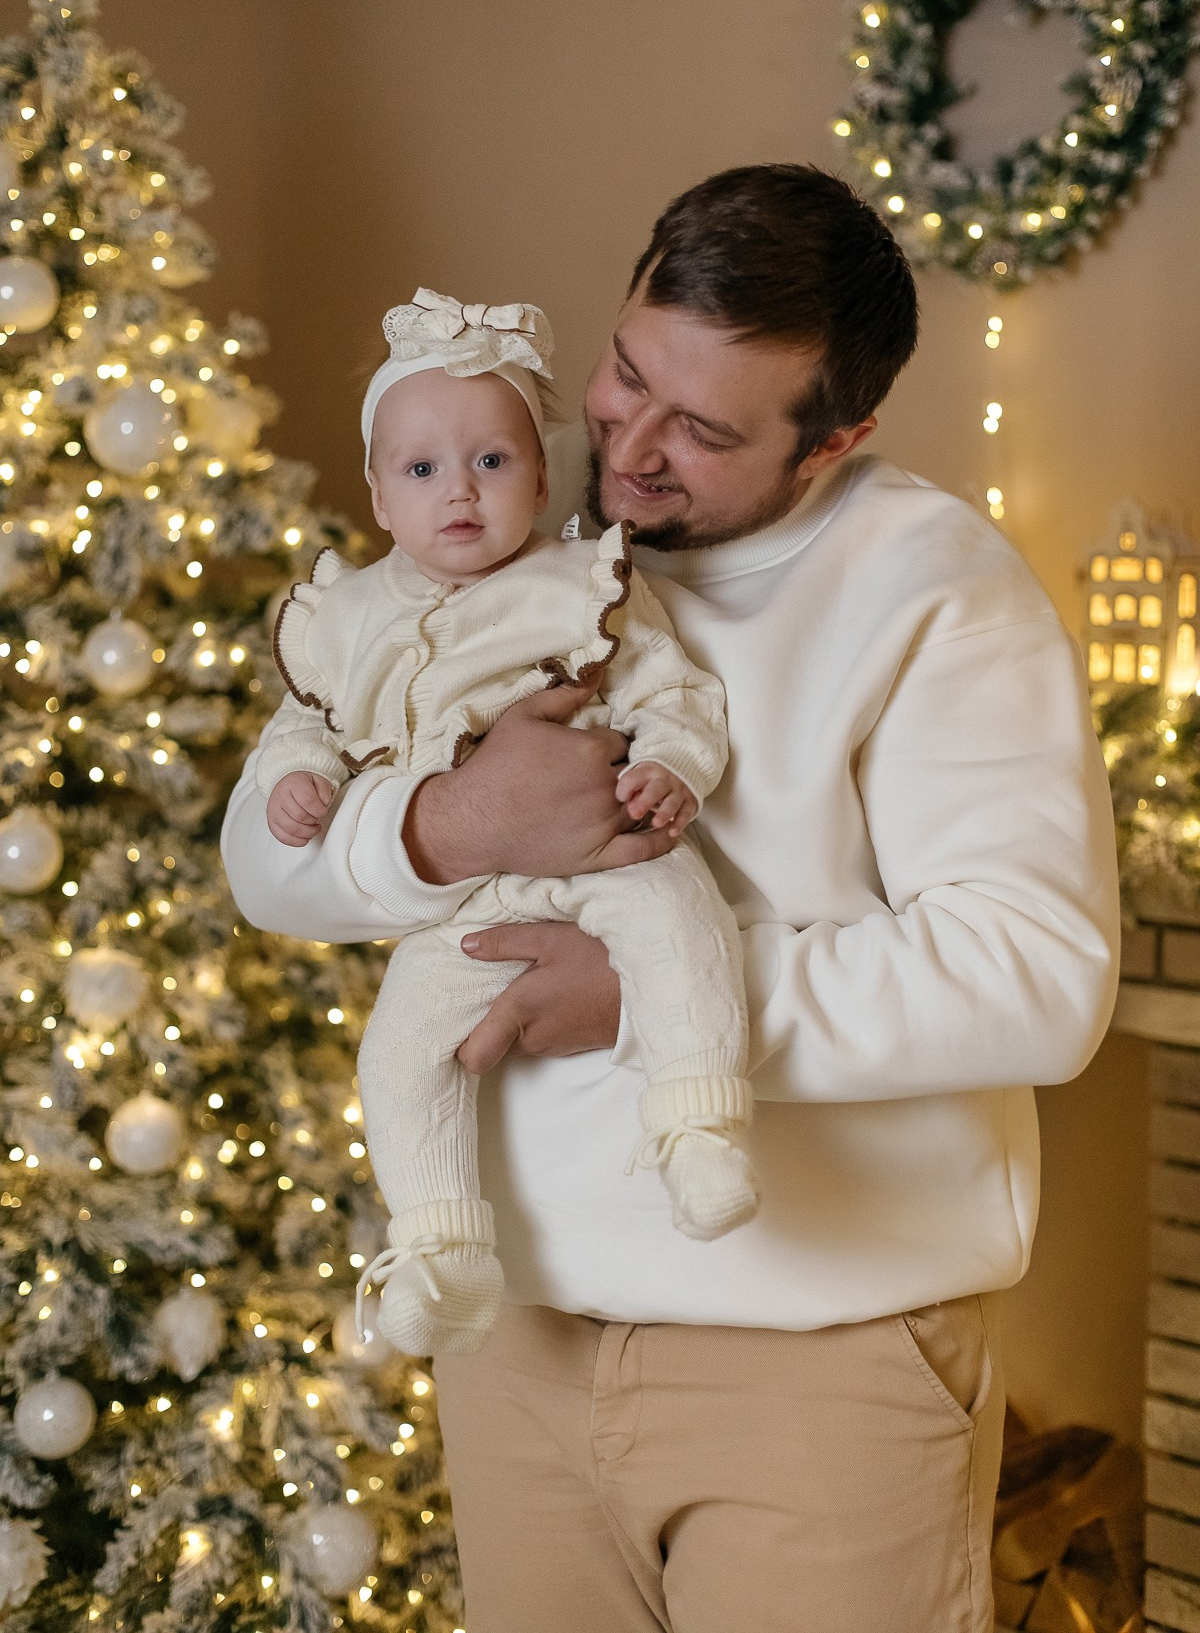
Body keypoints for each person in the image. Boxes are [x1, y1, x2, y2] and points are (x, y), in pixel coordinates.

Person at [221, 164, 1120, 1633]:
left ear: (837, 437)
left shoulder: (939, 592)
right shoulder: (493, 555)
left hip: (818, 1365)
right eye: (626, 377)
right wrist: (449, 822)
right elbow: (264, 858)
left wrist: (648, 995)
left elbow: (1033, 973)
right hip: (523, 1344)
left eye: (702, 431)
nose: (629, 449)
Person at [252, 286, 758, 1359]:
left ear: (538, 472)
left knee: (682, 923)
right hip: (464, 913)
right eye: (423, 469)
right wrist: (300, 779)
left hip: (607, 847)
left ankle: (700, 1121)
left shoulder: (583, 586)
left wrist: (672, 762)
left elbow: (677, 697)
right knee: (398, 1056)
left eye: (492, 461)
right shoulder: (347, 621)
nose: (462, 494)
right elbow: (309, 729)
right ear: (380, 496)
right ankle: (441, 1247)